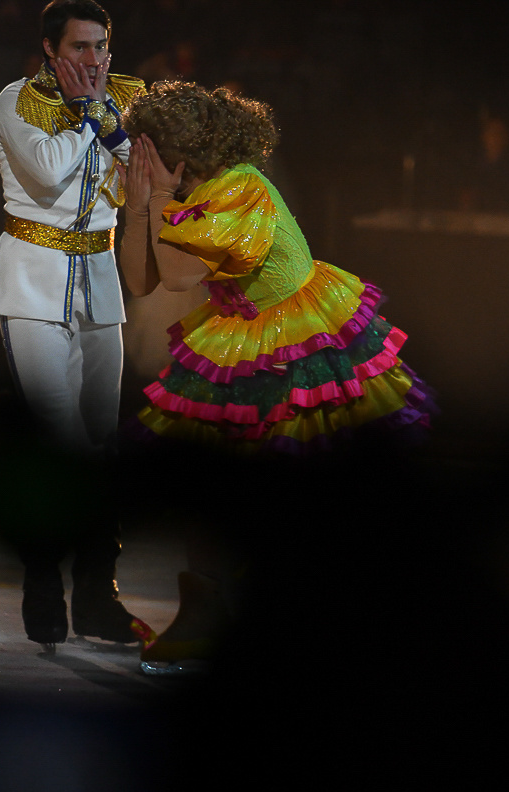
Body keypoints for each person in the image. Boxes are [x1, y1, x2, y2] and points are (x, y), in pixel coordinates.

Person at [118, 80, 435, 663]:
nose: (137, 161)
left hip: (297, 337)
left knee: (297, 480)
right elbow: (141, 282)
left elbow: (181, 276)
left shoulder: (242, 187)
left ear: (176, 155)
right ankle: (209, 607)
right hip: (240, 336)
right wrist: (140, 206)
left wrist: (157, 196)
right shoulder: (194, 191)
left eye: (145, 151)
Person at [0, 0, 153, 652]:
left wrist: (114, 125)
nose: (94, 59)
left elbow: (145, 180)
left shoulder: (127, 98)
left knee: (102, 441)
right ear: (50, 49)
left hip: (99, 280)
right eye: (79, 46)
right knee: (54, 438)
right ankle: (43, 588)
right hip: (31, 278)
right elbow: (48, 175)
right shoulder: (15, 100)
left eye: (101, 46)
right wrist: (89, 118)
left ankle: (98, 596)